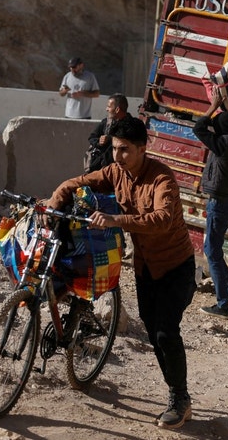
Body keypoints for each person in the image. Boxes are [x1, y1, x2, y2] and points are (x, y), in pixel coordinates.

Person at [45, 116, 196, 429]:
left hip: (175, 268)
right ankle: (176, 393)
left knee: (166, 331)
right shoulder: (116, 171)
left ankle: (180, 398)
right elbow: (77, 182)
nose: (117, 155)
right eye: (114, 148)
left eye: (125, 149)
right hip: (144, 268)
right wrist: (56, 199)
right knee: (155, 332)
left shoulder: (162, 179)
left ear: (142, 149)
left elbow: (163, 219)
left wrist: (116, 220)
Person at [192, 94, 228, 318]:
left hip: (218, 205)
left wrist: (212, 106)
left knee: (211, 252)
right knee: (215, 250)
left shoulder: (223, 144)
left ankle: (223, 305)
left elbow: (198, 128)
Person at [85, 93, 129, 172]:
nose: (107, 109)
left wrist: (110, 139)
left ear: (117, 109)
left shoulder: (131, 125)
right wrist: (99, 142)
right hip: (101, 168)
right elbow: (92, 137)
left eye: (109, 107)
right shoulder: (106, 123)